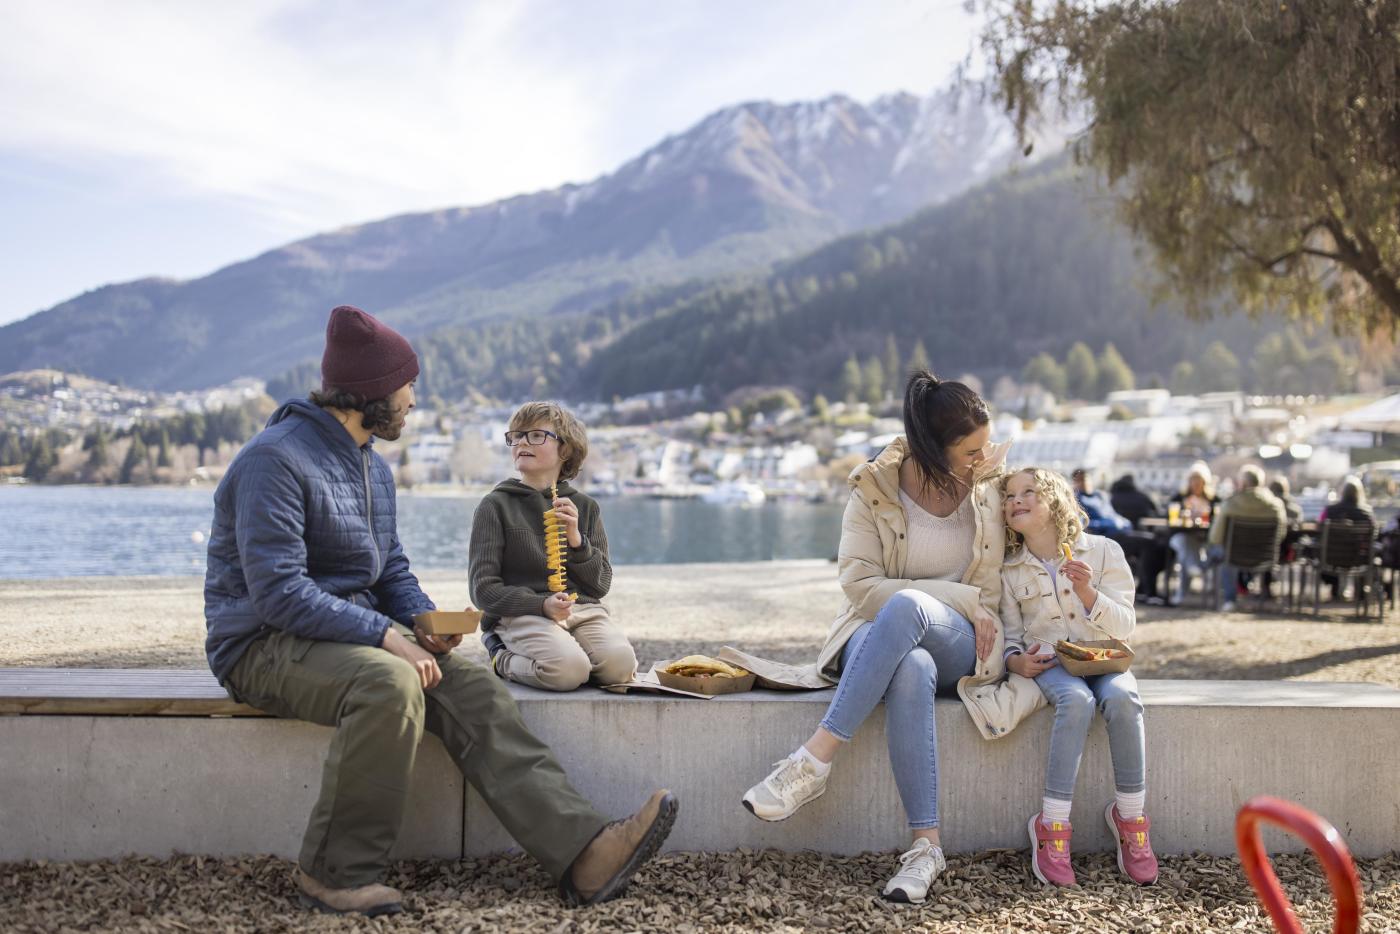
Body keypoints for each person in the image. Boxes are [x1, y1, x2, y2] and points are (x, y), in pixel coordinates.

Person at [204, 305, 676, 917]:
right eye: (407, 386)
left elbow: (389, 568)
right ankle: (335, 873)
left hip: (341, 636)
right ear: (371, 391)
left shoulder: (371, 465)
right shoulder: (275, 459)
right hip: (262, 643)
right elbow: (278, 593)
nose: (412, 400)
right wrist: (384, 635)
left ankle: (582, 853)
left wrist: (423, 620)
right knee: (388, 681)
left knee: (471, 686)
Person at [740, 371, 1043, 904]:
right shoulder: (874, 489)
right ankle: (926, 848)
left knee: (909, 611)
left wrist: (981, 614)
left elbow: (1043, 544)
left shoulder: (991, 491)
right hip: (874, 632)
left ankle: (813, 761)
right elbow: (860, 588)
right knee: (910, 666)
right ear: (932, 446)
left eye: (985, 447)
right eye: (970, 451)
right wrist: (955, 595)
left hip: (965, 639)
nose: (983, 458)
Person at [1000, 467, 1157, 886]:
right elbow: (1011, 638)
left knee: (1124, 699)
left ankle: (1131, 819)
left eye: (1028, 492)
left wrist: (1089, 594)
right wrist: (1015, 663)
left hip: (1105, 659)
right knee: (1077, 701)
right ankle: (1051, 827)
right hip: (1052, 665)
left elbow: (1126, 627)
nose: (1016, 499)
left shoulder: (1104, 551)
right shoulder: (1010, 570)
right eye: (1009, 495)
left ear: (1054, 502)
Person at [472, 401, 637, 690]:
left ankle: (573, 656)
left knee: (621, 668)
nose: (522, 441)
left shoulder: (585, 507)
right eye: (516, 436)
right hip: (523, 612)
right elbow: (483, 590)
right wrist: (540, 604)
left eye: (536, 435)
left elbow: (600, 586)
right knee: (567, 671)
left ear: (566, 450)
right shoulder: (495, 505)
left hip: (581, 610)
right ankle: (501, 656)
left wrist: (576, 541)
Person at [1077, 470, 1166, 603]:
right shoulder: (1078, 499)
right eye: (1081, 480)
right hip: (1104, 537)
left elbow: (1113, 515)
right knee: (1149, 543)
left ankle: (1144, 590)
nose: (1085, 483)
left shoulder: (1101, 496)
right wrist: (1110, 523)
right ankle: (1149, 592)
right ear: (1076, 482)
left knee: (1155, 543)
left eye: (1087, 479)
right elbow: (1083, 523)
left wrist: (1122, 522)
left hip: (1120, 532)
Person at [1208, 465, 1287, 611]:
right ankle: (1263, 594)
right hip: (1265, 555)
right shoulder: (1276, 505)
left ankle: (1230, 599)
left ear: (1242, 483)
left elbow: (1215, 537)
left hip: (1234, 555)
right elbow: (1281, 535)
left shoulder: (1230, 504)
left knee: (1220, 552)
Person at [1167, 462, 1221, 605]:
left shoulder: (1214, 500)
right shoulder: (1179, 498)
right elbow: (1171, 522)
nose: (1196, 484)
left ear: (1205, 482)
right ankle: (1195, 568)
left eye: (1199, 481)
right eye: (1193, 480)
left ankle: (1182, 593)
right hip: (1182, 535)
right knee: (1184, 545)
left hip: (1204, 537)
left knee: (1186, 556)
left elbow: (1217, 522)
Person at [1318, 477, 1377, 600]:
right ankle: (1360, 591)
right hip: (1358, 558)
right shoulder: (1367, 513)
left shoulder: (1329, 511)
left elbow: (1320, 529)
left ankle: (1335, 588)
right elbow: (1374, 534)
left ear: (1342, 492)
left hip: (1331, 558)